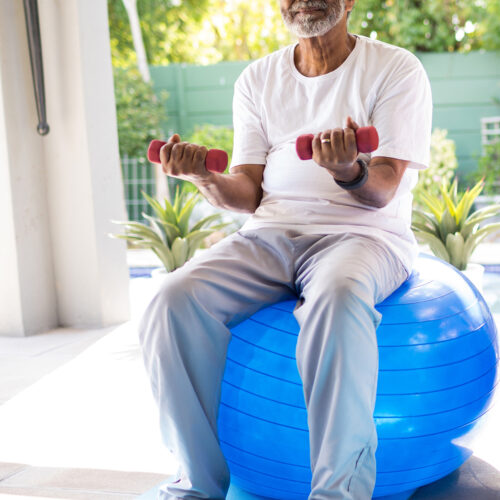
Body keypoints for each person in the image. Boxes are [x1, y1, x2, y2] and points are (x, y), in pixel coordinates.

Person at [138, 0, 433, 498]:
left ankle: (337, 493)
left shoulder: (396, 67)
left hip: (364, 235)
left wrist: (348, 170)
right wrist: (203, 176)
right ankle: (196, 483)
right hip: (269, 235)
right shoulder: (258, 79)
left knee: (338, 298)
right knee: (172, 298)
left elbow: (383, 186)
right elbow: (248, 192)